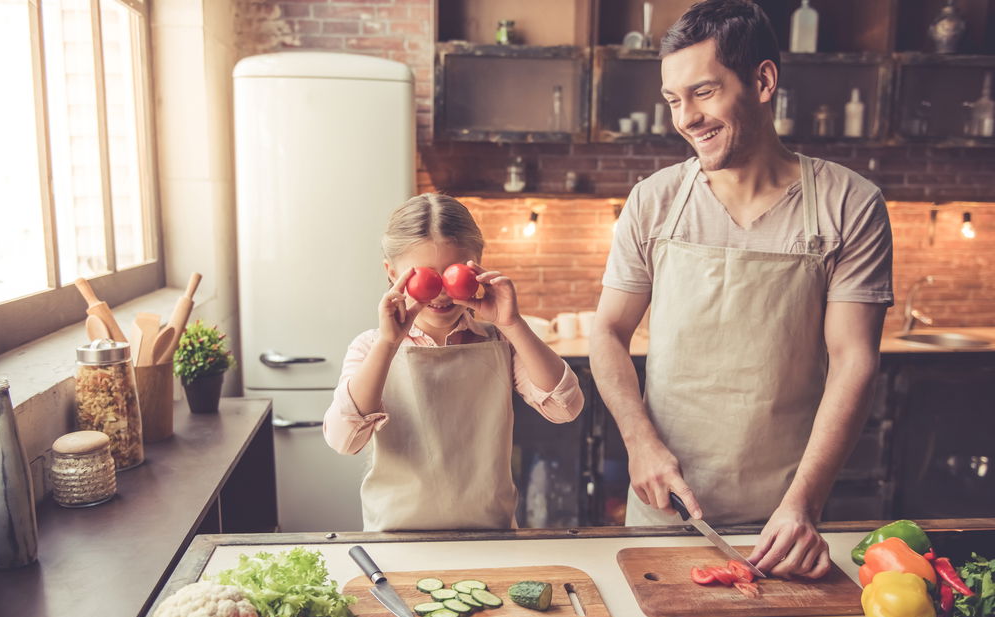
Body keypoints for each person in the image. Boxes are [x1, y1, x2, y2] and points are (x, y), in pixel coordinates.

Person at [590, 0, 893, 579]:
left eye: (703, 92)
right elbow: (607, 331)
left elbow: (854, 359)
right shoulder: (653, 201)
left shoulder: (850, 203)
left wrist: (803, 503)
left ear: (763, 81)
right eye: (673, 100)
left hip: (786, 518)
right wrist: (639, 442)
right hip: (666, 505)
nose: (686, 118)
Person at [323, 193, 584, 531]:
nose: (442, 292)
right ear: (392, 273)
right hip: (394, 537)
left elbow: (565, 408)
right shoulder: (370, 347)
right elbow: (345, 440)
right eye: (424, 277)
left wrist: (512, 324)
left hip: (490, 533)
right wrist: (388, 344)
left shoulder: (500, 341)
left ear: (478, 266)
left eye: (453, 274)